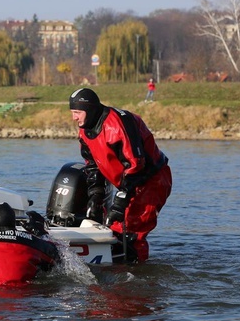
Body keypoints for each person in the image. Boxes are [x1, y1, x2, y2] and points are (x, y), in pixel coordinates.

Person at [69, 88, 172, 262]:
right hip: (125, 182)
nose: (74, 118)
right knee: (110, 225)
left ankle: (135, 275)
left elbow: (136, 165)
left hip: (151, 181)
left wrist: (120, 202)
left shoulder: (117, 125)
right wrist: (96, 196)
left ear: (91, 109)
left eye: (78, 112)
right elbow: (93, 166)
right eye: (72, 113)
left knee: (131, 232)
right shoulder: (85, 129)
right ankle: (110, 263)